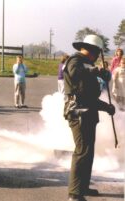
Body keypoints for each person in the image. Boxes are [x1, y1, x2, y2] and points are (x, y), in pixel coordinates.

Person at [63, 35, 115, 201]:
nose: (97, 55)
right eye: (98, 51)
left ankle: (82, 187)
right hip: (78, 112)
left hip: (88, 112)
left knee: (88, 152)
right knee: (82, 152)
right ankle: (74, 193)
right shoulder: (75, 60)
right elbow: (75, 74)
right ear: (93, 50)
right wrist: (94, 71)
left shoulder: (88, 63)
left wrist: (106, 107)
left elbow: (90, 96)